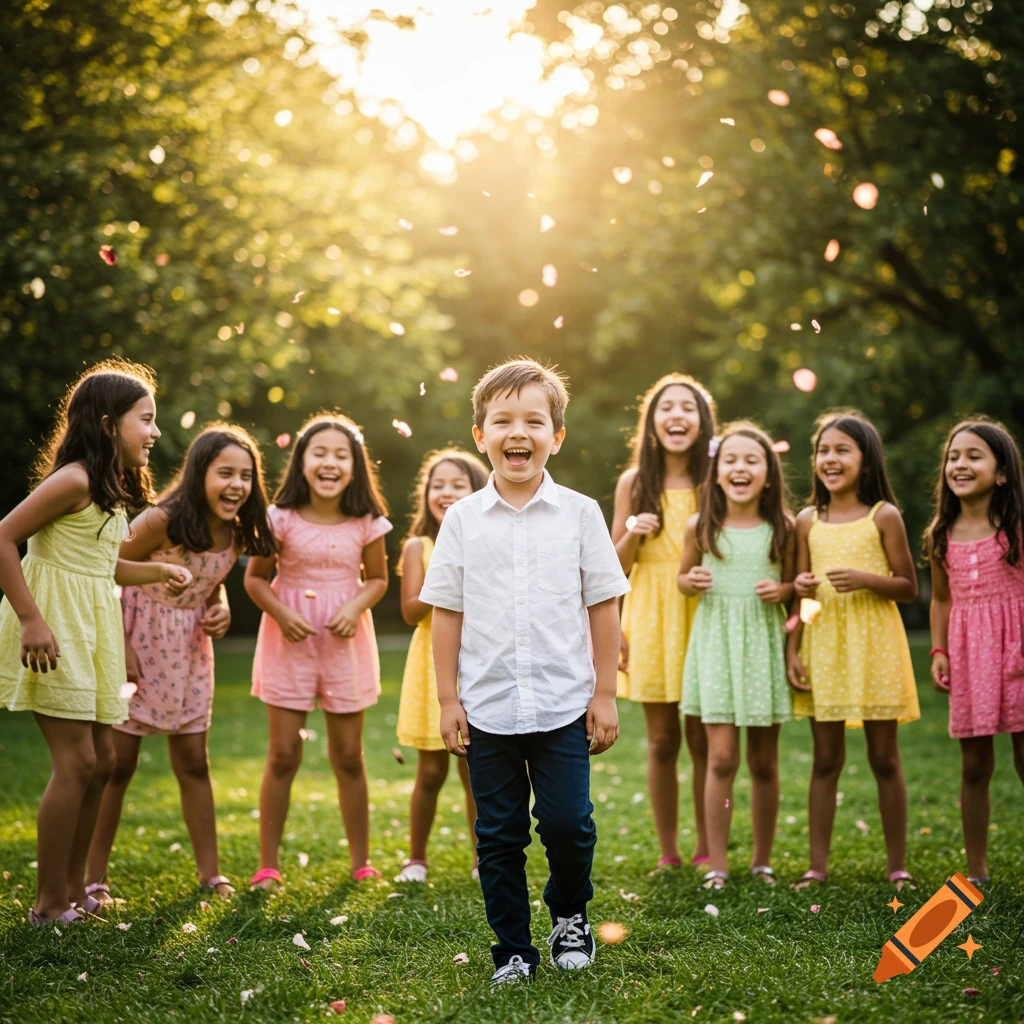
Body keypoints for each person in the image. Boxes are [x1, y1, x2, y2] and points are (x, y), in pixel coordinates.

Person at [420, 358, 629, 985]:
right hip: (487, 705)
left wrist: (607, 693)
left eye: (534, 420)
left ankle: (570, 915)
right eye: (503, 420)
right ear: (481, 434)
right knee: (500, 835)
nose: (520, 432)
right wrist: (447, 699)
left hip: (564, 701)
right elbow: (447, 613)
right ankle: (513, 947)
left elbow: (604, 604)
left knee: (569, 824)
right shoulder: (461, 520)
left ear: (556, 436)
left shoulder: (581, 514)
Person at [0, 360, 191, 925]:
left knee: (103, 760)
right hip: (53, 630)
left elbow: (101, 568)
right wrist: (31, 620)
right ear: (110, 424)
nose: (155, 433)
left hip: (91, 631)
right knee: (78, 761)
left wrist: (158, 573)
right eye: (146, 420)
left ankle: (78, 889)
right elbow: (4, 538)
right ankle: (48, 903)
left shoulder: (108, 490)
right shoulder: (75, 479)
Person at [86, 424, 275, 904]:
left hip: (189, 649)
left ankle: (210, 874)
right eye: (225, 473)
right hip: (134, 638)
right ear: (199, 473)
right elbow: (105, 569)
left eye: (246, 476)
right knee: (118, 764)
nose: (237, 485)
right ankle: (93, 878)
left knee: (193, 760)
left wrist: (222, 604)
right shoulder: (161, 519)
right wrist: (120, 646)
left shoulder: (234, 529)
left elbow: (211, 578)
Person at [245, 413, 392, 887]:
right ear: (302, 462)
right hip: (289, 641)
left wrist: (355, 606)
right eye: (320, 453)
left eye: (341, 454)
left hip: (345, 642)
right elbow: (254, 578)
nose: (330, 462)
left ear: (355, 465)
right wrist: (283, 614)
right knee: (284, 753)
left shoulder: (366, 521)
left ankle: (361, 862)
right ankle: (268, 864)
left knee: (348, 755)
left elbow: (378, 580)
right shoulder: (278, 518)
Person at [786, 411, 919, 889]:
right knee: (825, 758)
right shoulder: (807, 521)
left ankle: (897, 866)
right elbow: (804, 595)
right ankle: (816, 867)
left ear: (866, 459)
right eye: (823, 450)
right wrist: (793, 649)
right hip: (824, 645)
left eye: (843, 449)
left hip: (875, 644)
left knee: (885, 757)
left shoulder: (883, 515)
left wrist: (866, 580)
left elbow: (908, 587)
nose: (830, 458)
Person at [678, 423, 794, 889]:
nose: (740, 467)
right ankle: (718, 864)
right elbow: (682, 577)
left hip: (761, 647)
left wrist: (785, 589)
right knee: (721, 757)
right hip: (717, 648)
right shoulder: (701, 527)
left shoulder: (783, 528)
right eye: (731, 460)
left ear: (768, 475)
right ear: (717, 471)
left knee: (764, 761)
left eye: (752, 460)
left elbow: (800, 592)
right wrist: (690, 582)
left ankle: (762, 861)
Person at [610, 373, 716, 869]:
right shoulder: (635, 482)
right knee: (660, 739)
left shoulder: (715, 477)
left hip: (701, 607)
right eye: (666, 407)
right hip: (650, 610)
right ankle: (669, 850)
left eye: (687, 407)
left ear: (702, 420)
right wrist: (633, 531)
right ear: (651, 422)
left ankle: (706, 847)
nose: (677, 415)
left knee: (700, 736)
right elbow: (614, 566)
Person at [924, 418, 1024, 886]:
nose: (960, 464)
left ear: (1001, 472)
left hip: (1017, 650)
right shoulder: (940, 534)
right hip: (968, 654)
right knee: (975, 763)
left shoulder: (1016, 528)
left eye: (973, 456)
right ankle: (978, 870)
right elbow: (941, 598)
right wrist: (939, 649)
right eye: (953, 456)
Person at [394, 448, 489, 883]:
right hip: (431, 664)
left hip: (479, 660)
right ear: (425, 494)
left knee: (476, 770)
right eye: (438, 485)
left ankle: (480, 857)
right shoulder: (418, 546)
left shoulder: (489, 538)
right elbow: (412, 611)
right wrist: (451, 583)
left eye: (457, 485)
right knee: (430, 770)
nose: (446, 492)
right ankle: (416, 857)